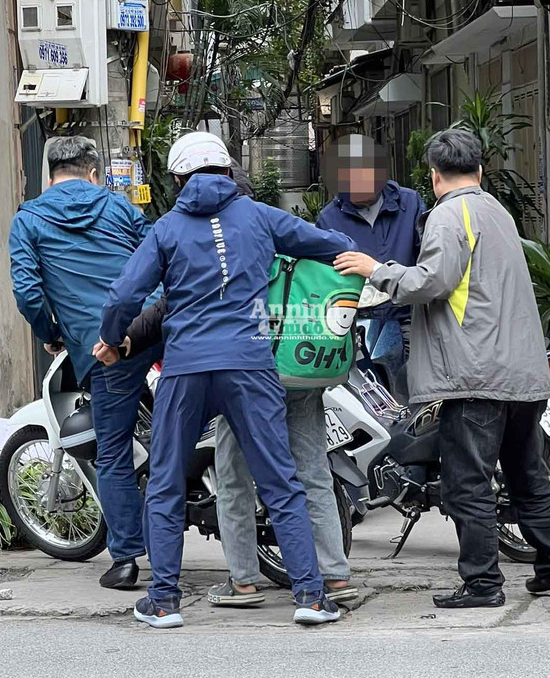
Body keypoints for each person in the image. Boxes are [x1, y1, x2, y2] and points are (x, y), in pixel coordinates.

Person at [97, 132, 356, 629]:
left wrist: (112, 339)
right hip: (250, 365)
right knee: (280, 481)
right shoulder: (260, 216)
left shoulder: (167, 228)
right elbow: (332, 246)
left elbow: (124, 296)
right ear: (228, 171)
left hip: (185, 369)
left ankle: (163, 601)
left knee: (166, 482)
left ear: (178, 180)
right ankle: (310, 596)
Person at [334, 128, 550, 609]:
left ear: (434, 175)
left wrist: (374, 268)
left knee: (467, 484)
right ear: (480, 170)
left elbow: (431, 282)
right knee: (526, 475)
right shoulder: (497, 210)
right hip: (522, 372)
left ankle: (483, 584)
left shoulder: (448, 214)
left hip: (475, 374)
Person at [107, 299, 358, 609]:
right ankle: (335, 576)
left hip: (249, 369)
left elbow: (178, 297)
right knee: (313, 474)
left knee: (233, 478)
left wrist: (127, 335)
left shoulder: (243, 264)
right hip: (302, 359)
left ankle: (243, 581)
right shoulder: (310, 262)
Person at [9, 135, 158, 591]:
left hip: (105, 348)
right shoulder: (118, 207)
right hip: (160, 326)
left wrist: (52, 334)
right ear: (93, 173)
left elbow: (28, 292)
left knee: (112, 451)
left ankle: (127, 558)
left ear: (50, 175)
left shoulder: (29, 219)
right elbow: (160, 255)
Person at [317, 133, 425, 393]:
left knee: (415, 391)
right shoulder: (329, 218)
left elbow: (428, 261)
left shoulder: (409, 204)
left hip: (407, 318)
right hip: (354, 324)